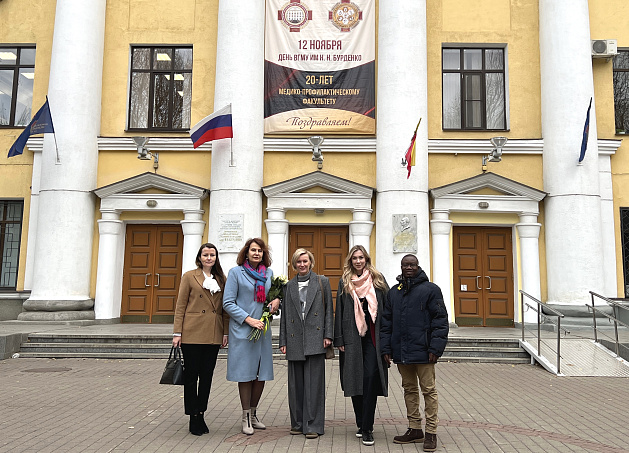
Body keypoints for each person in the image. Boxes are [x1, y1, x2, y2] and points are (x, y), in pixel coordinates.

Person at [380, 254, 449, 452]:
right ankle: (414, 428)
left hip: (425, 352)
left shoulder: (431, 290)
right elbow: (386, 324)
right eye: (405, 265)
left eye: (412, 264)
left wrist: (436, 348)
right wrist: (386, 348)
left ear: (418, 266)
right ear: (401, 267)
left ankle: (431, 432)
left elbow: (440, 320)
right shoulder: (394, 292)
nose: (408, 268)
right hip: (402, 352)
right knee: (409, 389)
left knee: (428, 391)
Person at [223, 238, 281, 435]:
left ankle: (254, 413)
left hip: (262, 330)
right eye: (253, 250)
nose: (257, 253)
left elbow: (271, 296)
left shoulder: (268, 273)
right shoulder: (235, 273)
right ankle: (245, 414)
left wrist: (276, 301)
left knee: (261, 374)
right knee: (246, 374)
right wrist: (248, 320)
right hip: (243, 330)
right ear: (246, 253)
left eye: (260, 251)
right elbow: (228, 303)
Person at [333, 245, 389, 447]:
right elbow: (338, 311)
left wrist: (388, 342)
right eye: (355, 258)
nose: (358, 261)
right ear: (350, 261)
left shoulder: (378, 280)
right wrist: (338, 339)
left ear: (366, 259)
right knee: (355, 380)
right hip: (352, 338)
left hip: (374, 339)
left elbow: (388, 310)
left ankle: (367, 429)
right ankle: (360, 422)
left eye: (361, 257)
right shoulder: (345, 282)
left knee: (370, 380)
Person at [173, 243, 228, 436]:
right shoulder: (189, 276)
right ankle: (192, 416)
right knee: (191, 377)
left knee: (206, 377)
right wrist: (177, 333)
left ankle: (201, 413)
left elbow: (225, 309)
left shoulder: (221, 279)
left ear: (216, 258)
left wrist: (225, 333)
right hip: (192, 333)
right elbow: (180, 306)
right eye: (205, 255)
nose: (209, 258)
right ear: (200, 257)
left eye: (212, 255)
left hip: (213, 334)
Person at [279, 248, 334, 439]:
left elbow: (328, 311)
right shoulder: (289, 286)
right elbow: (285, 316)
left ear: (311, 262)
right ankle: (297, 423)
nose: (302, 265)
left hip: (316, 338)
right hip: (294, 339)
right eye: (299, 262)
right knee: (295, 386)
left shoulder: (322, 281)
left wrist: (329, 335)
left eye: (305, 261)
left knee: (314, 384)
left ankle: (313, 425)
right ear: (294, 264)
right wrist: (283, 341)